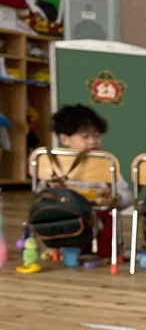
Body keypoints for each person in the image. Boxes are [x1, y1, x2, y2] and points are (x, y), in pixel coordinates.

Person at [46, 105, 134, 259]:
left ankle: (110, 249)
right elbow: (41, 196)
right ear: (64, 139)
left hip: (99, 223)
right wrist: (53, 190)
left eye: (97, 136)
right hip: (69, 221)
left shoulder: (105, 164)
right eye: (85, 137)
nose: (93, 141)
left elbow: (128, 197)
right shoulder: (54, 165)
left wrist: (115, 196)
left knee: (107, 223)